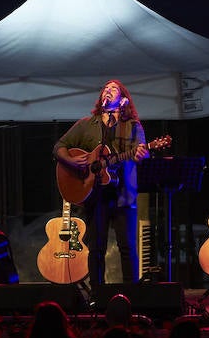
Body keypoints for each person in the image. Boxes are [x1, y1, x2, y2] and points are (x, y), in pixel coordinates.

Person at [53, 80, 151, 291]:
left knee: (127, 247)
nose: (108, 90)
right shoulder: (87, 124)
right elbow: (59, 147)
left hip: (124, 195)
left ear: (123, 97)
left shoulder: (133, 126)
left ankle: (131, 295)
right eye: (105, 88)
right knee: (96, 247)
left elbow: (143, 150)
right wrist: (71, 161)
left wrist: (143, 152)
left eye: (113, 88)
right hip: (95, 195)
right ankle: (97, 293)